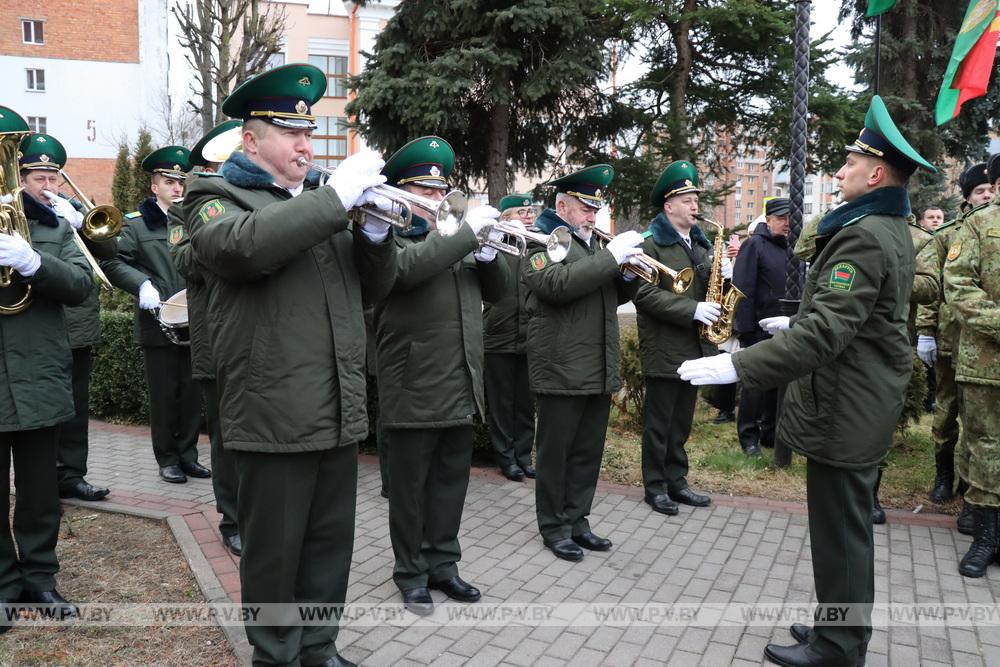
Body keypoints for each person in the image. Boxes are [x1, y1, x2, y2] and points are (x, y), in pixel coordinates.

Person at [679, 95, 934, 667]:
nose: (838, 172)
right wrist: (798, 319)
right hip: (854, 396)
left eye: (849, 164)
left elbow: (827, 335)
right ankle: (834, 625)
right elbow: (856, 317)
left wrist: (738, 365)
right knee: (841, 532)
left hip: (846, 405)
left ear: (876, 173)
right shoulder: (884, 225)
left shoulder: (865, 234)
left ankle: (840, 647)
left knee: (841, 535)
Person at [185, 63, 395, 667]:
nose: (306, 144)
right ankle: (276, 655)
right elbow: (242, 249)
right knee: (275, 556)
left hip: (336, 407)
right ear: (251, 140)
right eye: (290, 133)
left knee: (329, 547)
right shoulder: (214, 197)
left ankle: (319, 649)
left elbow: (375, 289)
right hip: (273, 411)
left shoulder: (323, 204)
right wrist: (333, 201)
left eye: (309, 134)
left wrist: (376, 236)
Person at [374, 136, 508, 616]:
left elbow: (500, 294)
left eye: (441, 191)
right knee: (409, 490)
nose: (436, 199)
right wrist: (463, 237)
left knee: (451, 483)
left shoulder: (456, 238)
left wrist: (491, 258)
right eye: (424, 191)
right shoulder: (389, 238)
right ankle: (410, 572)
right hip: (411, 383)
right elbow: (404, 274)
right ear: (402, 194)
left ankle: (443, 564)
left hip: (459, 379)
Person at [1, 106, 93, 628]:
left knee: (39, 494)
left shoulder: (49, 223)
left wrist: (35, 260)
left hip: (38, 374)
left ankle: (40, 578)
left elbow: (81, 286)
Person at [522, 164, 643, 560]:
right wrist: (610, 258)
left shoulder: (592, 244)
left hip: (595, 363)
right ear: (562, 205)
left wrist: (628, 274)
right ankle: (553, 527)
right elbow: (555, 286)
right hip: (560, 364)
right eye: (585, 207)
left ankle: (578, 520)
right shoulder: (542, 238)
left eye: (596, 208)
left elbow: (607, 297)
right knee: (556, 453)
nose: (593, 215)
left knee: (588, 452)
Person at [100, 145, 208, 484]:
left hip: (196, 319)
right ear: (154, 186)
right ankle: (167, 458)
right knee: (164, 396)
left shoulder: (195, 219)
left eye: (181, 181)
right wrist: (141, 284)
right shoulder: (135, 224)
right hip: (157, 321)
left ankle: (188, 455)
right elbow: (114, 262)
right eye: (169, 181)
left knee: (193, 396)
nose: (177, 188)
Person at [18, 132, 114, 502]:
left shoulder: (71, 208)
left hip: (77, 324)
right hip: (39, 326)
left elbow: (110, 248)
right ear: (21, 180)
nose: (48, 185)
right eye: (39, 178)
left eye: (53, 177)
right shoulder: (16, 217)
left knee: (75, 407)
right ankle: (42, 477)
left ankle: (72, 475)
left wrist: (77, 221)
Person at [167, 119, 243, 555]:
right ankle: (231, 517)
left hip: (260, 341)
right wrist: (223, 233)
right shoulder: (186, 211)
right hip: (217, 341)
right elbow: (186, 262)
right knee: (227, 438)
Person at [633, 160, 724, 514]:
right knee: (659, 424)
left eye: (696, 199)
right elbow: (643, 296)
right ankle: (655, 487)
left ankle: (677, 481)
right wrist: (692, 310)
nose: (695, 205)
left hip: (695, 346)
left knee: (682, 421)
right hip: (664, 346)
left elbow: (710, 291)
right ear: (669, 206)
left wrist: (722, 274)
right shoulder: (651, 244)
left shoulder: (700, 245)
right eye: (687, 200)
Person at [917, 162, 994, 520]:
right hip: (951, 338)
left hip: (983, 345)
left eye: (990, 190)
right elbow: (933, 290)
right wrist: (925, 332)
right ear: (967, 197)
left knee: (982, 424)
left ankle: (971, 487)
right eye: (980, 191)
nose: (987, 195)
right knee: (948, 410)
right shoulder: (949, 233)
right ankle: (944, 474)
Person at [944, 160, 1000, 579]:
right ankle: (985, 537)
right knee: (985, 446)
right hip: (985, 359)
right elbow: (958, 283)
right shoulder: (980, 224)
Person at [731, 197, 801, 457]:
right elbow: (742, 288)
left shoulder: (793, 248)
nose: (787, 223)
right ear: (768, 219)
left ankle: (770, 431)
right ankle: (748, 436)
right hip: (758, 328)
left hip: (784, 328)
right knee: (755, 385)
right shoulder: (754, 245)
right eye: (781, 218)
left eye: (790, 218)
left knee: (778, 384)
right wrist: (744, 329)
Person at [483, 193, 537, 481]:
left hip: (529, 337)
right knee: (502, 404)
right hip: (498, 335)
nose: (528, 216)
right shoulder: (493, 243)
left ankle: (524, 455)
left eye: (531, 211)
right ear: (505, 218)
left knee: (525, 404)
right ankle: (506, 458)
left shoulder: (537, 245)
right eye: (521, 211)